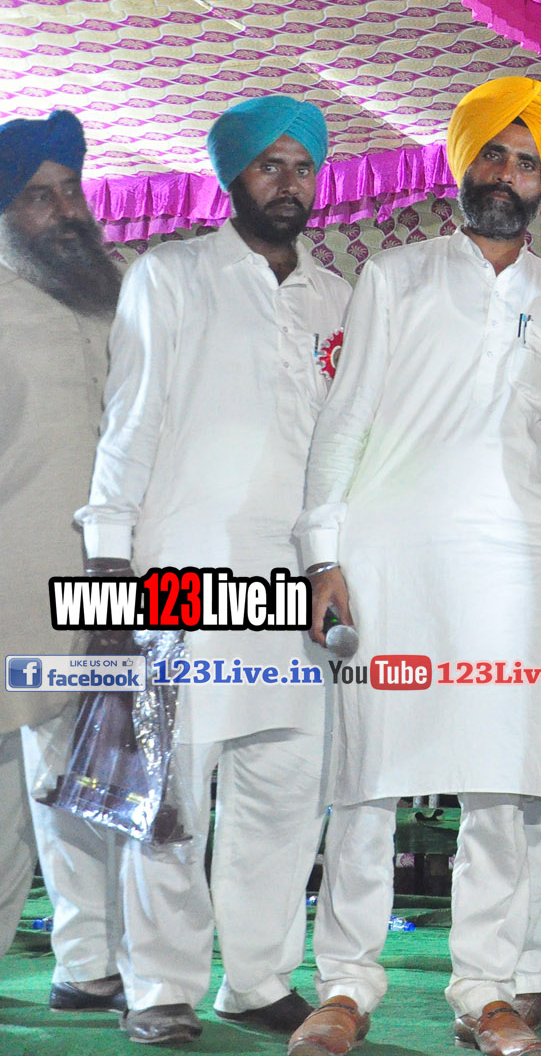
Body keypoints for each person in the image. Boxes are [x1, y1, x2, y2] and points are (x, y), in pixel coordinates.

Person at [288, 76, 541, 1056]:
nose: (506, 174)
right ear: (464, 164)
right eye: (492, 154)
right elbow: (345, 421)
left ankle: (488, 988)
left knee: (506, 783)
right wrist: (324, 555)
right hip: (392, 555)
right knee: (368, 775)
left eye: (526, 161)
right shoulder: (396, 275)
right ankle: (346, 983)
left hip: (520, 566)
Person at [73, 96, 346, 1046]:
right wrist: (107, 576)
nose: (289, 183)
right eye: (270, 165)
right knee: (171, 796)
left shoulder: (337, 297)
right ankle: (160, 986)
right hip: (178, 571)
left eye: (302, 167)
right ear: (233, 176)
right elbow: (130, 422)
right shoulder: (173, 274)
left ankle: (258, 979)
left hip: (295, 582)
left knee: (285, 791)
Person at [0, 110, 128, 1014]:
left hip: (112, 584)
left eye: (71, 191)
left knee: (92, 780)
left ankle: (89, 965)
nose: (63, 211)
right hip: (13, 579)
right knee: (10, 794)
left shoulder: (114, 302)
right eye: (39, 196)